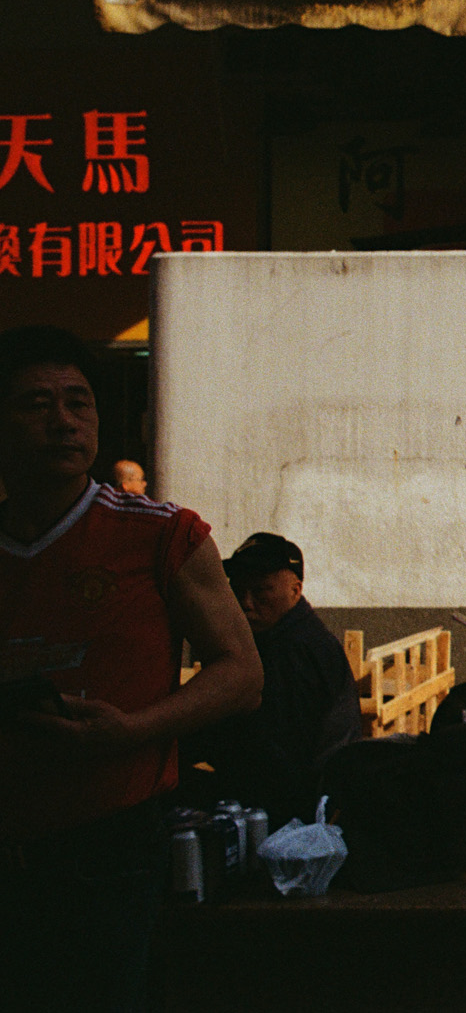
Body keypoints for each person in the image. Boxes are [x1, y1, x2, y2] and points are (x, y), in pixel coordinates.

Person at [0, 325, 261, 1011]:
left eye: (78, 403)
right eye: (35, 404)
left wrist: (133, 730)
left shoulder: (162, 534)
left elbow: (241, 673)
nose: (63, 422)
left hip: (110, 846)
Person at [179, 533, 367, 823]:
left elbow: (272, 758)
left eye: (262, 590)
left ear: (295, 589)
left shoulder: (294, 651)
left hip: (294, 812)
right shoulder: (276, 639)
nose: (245, 602)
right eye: (237, 590)